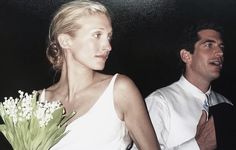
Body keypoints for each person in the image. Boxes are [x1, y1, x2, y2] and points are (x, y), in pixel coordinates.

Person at [39, 0, 160, 149]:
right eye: (97, 35)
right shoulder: (39, 102)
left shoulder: (119, 90)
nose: (108, 46)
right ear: (65, 41)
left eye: (108, 37)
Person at [143, 22, 234, 149]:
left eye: (221, 47)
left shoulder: (227, 105)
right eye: (209, 45)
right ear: (186, 56)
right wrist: (198, 145)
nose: (220, 53)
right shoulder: (160, 102)